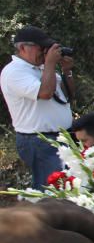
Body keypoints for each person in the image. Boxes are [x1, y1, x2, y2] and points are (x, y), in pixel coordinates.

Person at [1, 26, 75, 189]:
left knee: (68, 188)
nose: (44, 51)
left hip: (60, 137)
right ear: (22, 48)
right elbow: (45, 93)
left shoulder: (41, 68)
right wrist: (49, 63)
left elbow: (67, 95)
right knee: (52, 192)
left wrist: (66, 70)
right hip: (39, 141)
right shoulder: (14, 72)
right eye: (40, 47)